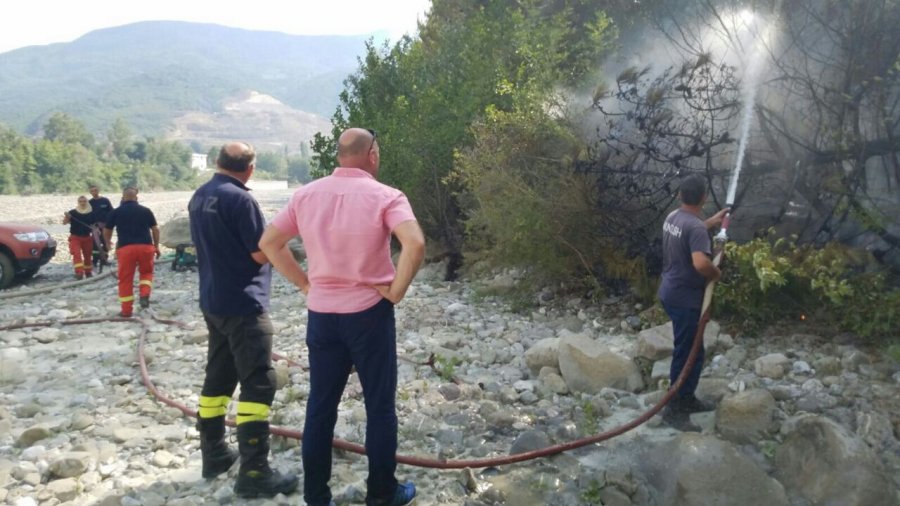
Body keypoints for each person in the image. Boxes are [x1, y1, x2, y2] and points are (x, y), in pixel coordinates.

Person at [259, 127, 425, 506]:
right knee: (379, 407)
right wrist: (396, 291)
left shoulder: (306, 195)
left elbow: (269, 242)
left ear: (339, 155)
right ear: (372, 155)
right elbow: (414, 243)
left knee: (320, 406)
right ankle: (382, 494)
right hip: (369, 314)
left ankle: (317, 498)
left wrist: (304, 283)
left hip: (322, 314)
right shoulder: (386, 196)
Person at [188, 142, 298, 498]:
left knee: (218, 377)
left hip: (213, 300)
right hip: (244, 303)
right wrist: (286, 236)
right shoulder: (241, 200)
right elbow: (260, 251)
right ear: (250, 169)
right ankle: (254, 472)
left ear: (218, 162)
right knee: (259, 383)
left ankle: (214, 455)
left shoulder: (200, 196)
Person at [658, 174, 728, 431]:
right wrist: (716, 273)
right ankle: (674, 409)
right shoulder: (696, 228)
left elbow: (690, 231)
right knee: (687, 352)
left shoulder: (673, 217)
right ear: (704, 198)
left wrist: (711, 222)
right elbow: (700, 263)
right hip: (685, 299)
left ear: (680, 195)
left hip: (669, 292)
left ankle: (686, 398)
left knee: (693, 351)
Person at [102, 188, 159, 317]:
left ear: (123, 198)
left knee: (125, 279)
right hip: (145, 247)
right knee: (146, 273)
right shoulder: (146, 211)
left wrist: (107, 243)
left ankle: (126, 311)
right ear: (136, 198)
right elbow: (155, 229)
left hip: (126, 249)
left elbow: (107, 230)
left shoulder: (115, 212)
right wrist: (156, 246)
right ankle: (144, 294)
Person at [62, 196, 95, 279]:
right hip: (75, 237)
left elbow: (95, 224)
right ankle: (79, 272)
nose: (82, 203)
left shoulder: (92, 213)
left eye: (84, 201)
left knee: (87, 255)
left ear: (87, 202)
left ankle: (88, 272)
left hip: (87, 237)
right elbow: (64, 223)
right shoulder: (73, 212)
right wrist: (67, 217)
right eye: (80, 201)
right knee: (76, 254)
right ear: (78, 202)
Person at [88, 185, 114, 269]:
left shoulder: (105, 200)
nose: (94, 192)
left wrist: (111, 223)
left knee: (106, 243)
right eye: (92, 191)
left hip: (105, 226)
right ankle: (95, 261)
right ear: (90, 192)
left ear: (98, 190)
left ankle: (104, 260)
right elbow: (87, 214)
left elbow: (112, 212)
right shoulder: (89, 202)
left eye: (95, 190)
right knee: (95, 245)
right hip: (95, 227)